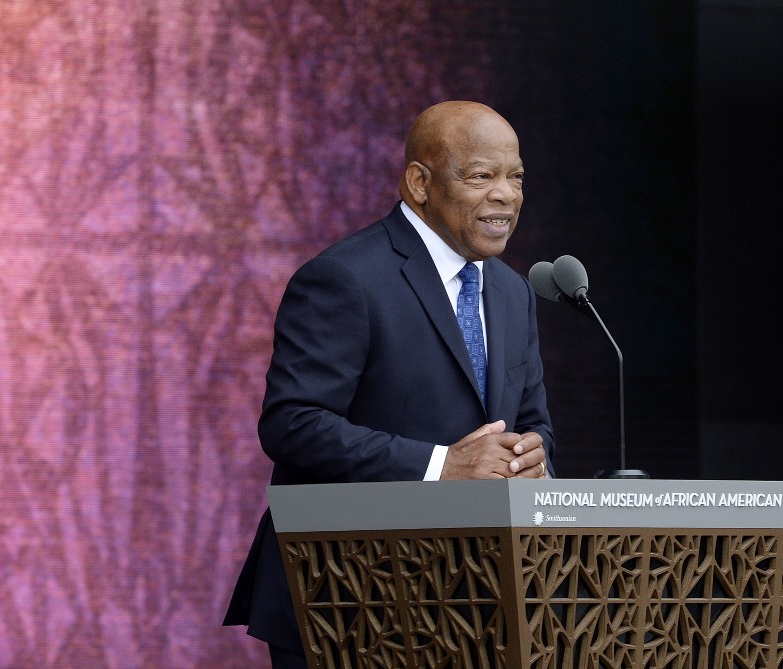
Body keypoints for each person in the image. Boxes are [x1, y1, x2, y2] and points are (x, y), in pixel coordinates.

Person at [223, 100, 555, 669]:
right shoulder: (344, 278)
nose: (506, 195)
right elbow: (292, 424)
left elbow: (534, 422)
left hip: (470, 601)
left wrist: (533, 458)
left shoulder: (511, 291)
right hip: (348, 596)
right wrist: (440, 466)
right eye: (482, 176)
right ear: (420, 183)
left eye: (516, 177)